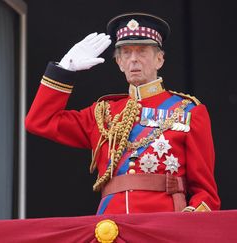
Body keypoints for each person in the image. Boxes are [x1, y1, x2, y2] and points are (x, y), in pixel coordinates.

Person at [25, 12, 220, 215]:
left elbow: (206, 193)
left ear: (159, 59)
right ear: (119, 62)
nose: (134, 59)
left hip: (164, 226)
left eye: (142, 51)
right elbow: (39, 121)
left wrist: (185, 224)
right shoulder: (102, 113)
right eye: (126, 53)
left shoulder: (189, 111)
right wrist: (65, 69)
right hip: (111, 227)